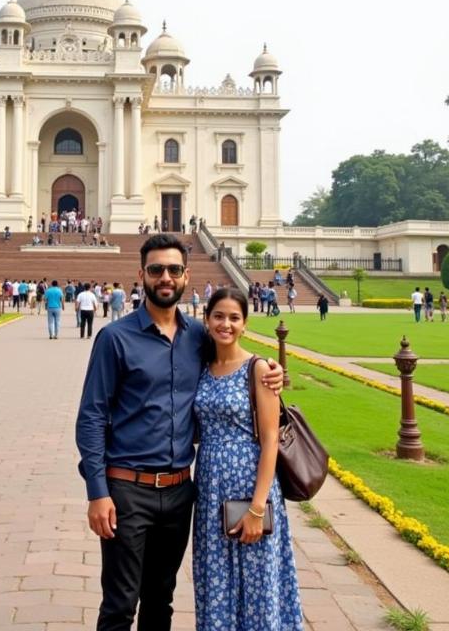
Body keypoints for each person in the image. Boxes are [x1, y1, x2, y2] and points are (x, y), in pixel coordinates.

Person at [76, 235, 284, 631]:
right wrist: (97, 492)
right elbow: (91, 417)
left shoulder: (197, 338)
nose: (165, 277)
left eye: (173, 270)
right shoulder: (115, 338)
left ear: (187, 275)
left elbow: (233, 360)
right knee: (120, 603)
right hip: (127, 489)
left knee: (161, 600)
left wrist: (269, 371)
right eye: (156, 270)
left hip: (179, 492)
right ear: (141, 275)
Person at [194, 288, 304, 630]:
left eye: (234, 318)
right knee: (216, 579)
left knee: (258, 581)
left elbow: (271, 438)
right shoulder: (203, 367)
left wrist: (258, 508)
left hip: (251, 485)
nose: (225, 324)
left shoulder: (258, 369)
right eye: (218, 316)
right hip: (211, 487)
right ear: (207, 320)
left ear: (245, 324)